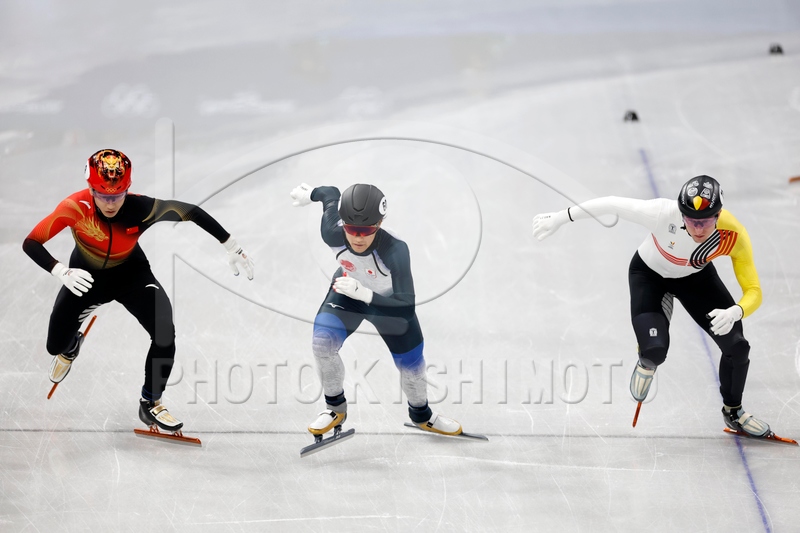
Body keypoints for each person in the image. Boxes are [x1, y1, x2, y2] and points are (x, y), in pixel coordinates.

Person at [23, 149, 254, 432]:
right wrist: (61, 271)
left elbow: (191, 211)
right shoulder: (74, 207)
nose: (110, 203)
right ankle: (70, 347)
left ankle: (151, 402)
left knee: (165, 332)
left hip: (131, 276)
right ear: (91, 189)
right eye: (103, 195)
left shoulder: (141, 208)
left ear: (128, 189)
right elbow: (31, 242)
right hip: (85, 280)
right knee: (54, 347)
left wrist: (231, 245)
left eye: (118, 195)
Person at [532, 175, 770, 437]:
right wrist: (561, 217)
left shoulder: (733, 234)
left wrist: (736, 311)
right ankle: (646, 361)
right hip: (649, 276)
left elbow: (754, 290)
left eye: (705, 221)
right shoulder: (662, 213)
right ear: (681, 213)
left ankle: (733, 411)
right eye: (691, 220)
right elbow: (611, 203)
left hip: (696, 279)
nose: (698, 229)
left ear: (718, 215)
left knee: (737, 347)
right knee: (655, 351)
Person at [289, 182, 462, 438]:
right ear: (343, 223)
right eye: (351, 229)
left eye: (367, 230)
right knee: (322, 344)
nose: (358, 237)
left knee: (411, 366)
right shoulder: (331, 232)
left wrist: (367, 294)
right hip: (348, 293)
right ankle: (335, 409)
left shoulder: (395, 249)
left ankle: (422, 416)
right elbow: (330, 194)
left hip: (388, 304)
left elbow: (406, 307)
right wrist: (311, 194)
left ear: (379, 224)